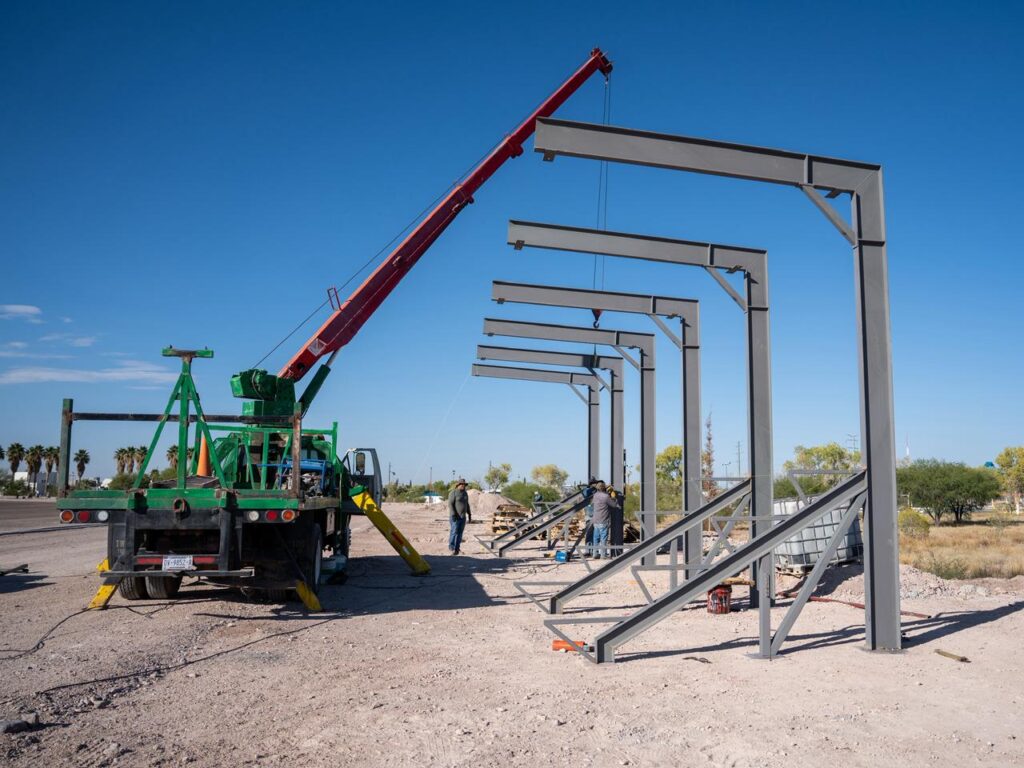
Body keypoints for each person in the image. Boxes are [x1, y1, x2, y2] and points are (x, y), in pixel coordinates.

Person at [590, 480, 617, 560]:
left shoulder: (595, 495)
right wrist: (613, 496)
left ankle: (595, 554)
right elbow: (614, 505)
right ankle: (603, 555)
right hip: (603, 520)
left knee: (596, 538)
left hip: (595, 520)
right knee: (603, 538)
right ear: (604, 488)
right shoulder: (606, 497)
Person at [447, 478, 472, 555]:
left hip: (463, 517)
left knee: (460, 533)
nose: (463, 486)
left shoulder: (465, 493)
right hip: (455, 517)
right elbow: (450, 504)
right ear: (458, 485)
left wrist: (469, 514)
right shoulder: (453, 493)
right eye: (461, 484)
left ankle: (457, 549)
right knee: (454, 532)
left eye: (464, 484)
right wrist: (453, 514)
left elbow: (467, 504)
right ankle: (451, 547)